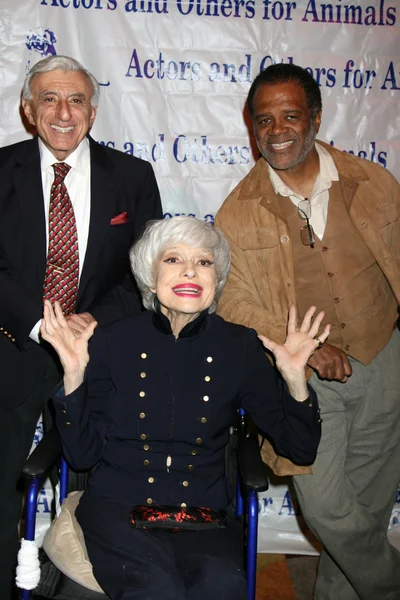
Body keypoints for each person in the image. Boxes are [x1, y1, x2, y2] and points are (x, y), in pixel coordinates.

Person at [40, 216, 328, 600]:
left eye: (204, 262)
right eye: (173, 259)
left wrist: (294, 379)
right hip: (118, 507)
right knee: (156, 587)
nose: (190, 270)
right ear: (150, 276)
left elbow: (300, 448)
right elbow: (82, 455)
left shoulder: (240, 347)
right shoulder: (111, 341)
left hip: (204, 513)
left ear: (217, 279)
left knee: (222, 585)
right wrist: (74, 375)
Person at [215, 63, 400, 600]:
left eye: (291, 115)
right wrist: (311, 349)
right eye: (264, 120)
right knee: (326, 507)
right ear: (252, 128)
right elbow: (233, 302)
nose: (278, 131)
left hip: (384, 357)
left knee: (369, 501)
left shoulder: (374, 182)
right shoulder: (237, 212)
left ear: (315, 117)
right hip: (302, 382)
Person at [0, 54, 162, 599]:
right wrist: (38, 324)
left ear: (93, 112)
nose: (63, 112)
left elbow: (148, 269)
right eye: (49, 99)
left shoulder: (133, 177)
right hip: (11, 351)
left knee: (101, 497)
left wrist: (96, 317)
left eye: (75, 101)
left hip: (99, 361)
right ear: (29, 111)